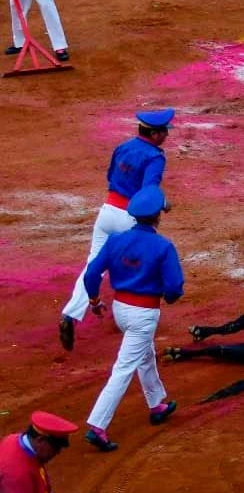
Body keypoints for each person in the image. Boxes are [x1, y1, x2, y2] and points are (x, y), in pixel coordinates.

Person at [58, 108, 174, 352]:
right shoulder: (155, 156)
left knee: (94, 266)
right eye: (163, 131)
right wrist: (162, 203)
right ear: (153, 134)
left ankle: (71, 313)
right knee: (142, 260)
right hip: (130, 218)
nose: (166, 135)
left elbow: (111, 176)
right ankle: (133, 314)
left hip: (107, 212)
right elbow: (148, 189)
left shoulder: (123, 147)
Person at [82, 185, 185, 452]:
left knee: (145, 353)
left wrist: (93, 301)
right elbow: (175, 288)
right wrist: (168, 297)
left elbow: (91, 274)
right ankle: (98, 425)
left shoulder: (116, 240)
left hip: (120, 310)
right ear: (157, 217)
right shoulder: (163, 246)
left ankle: (157, 404)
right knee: (123, 368)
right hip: (144, 313)